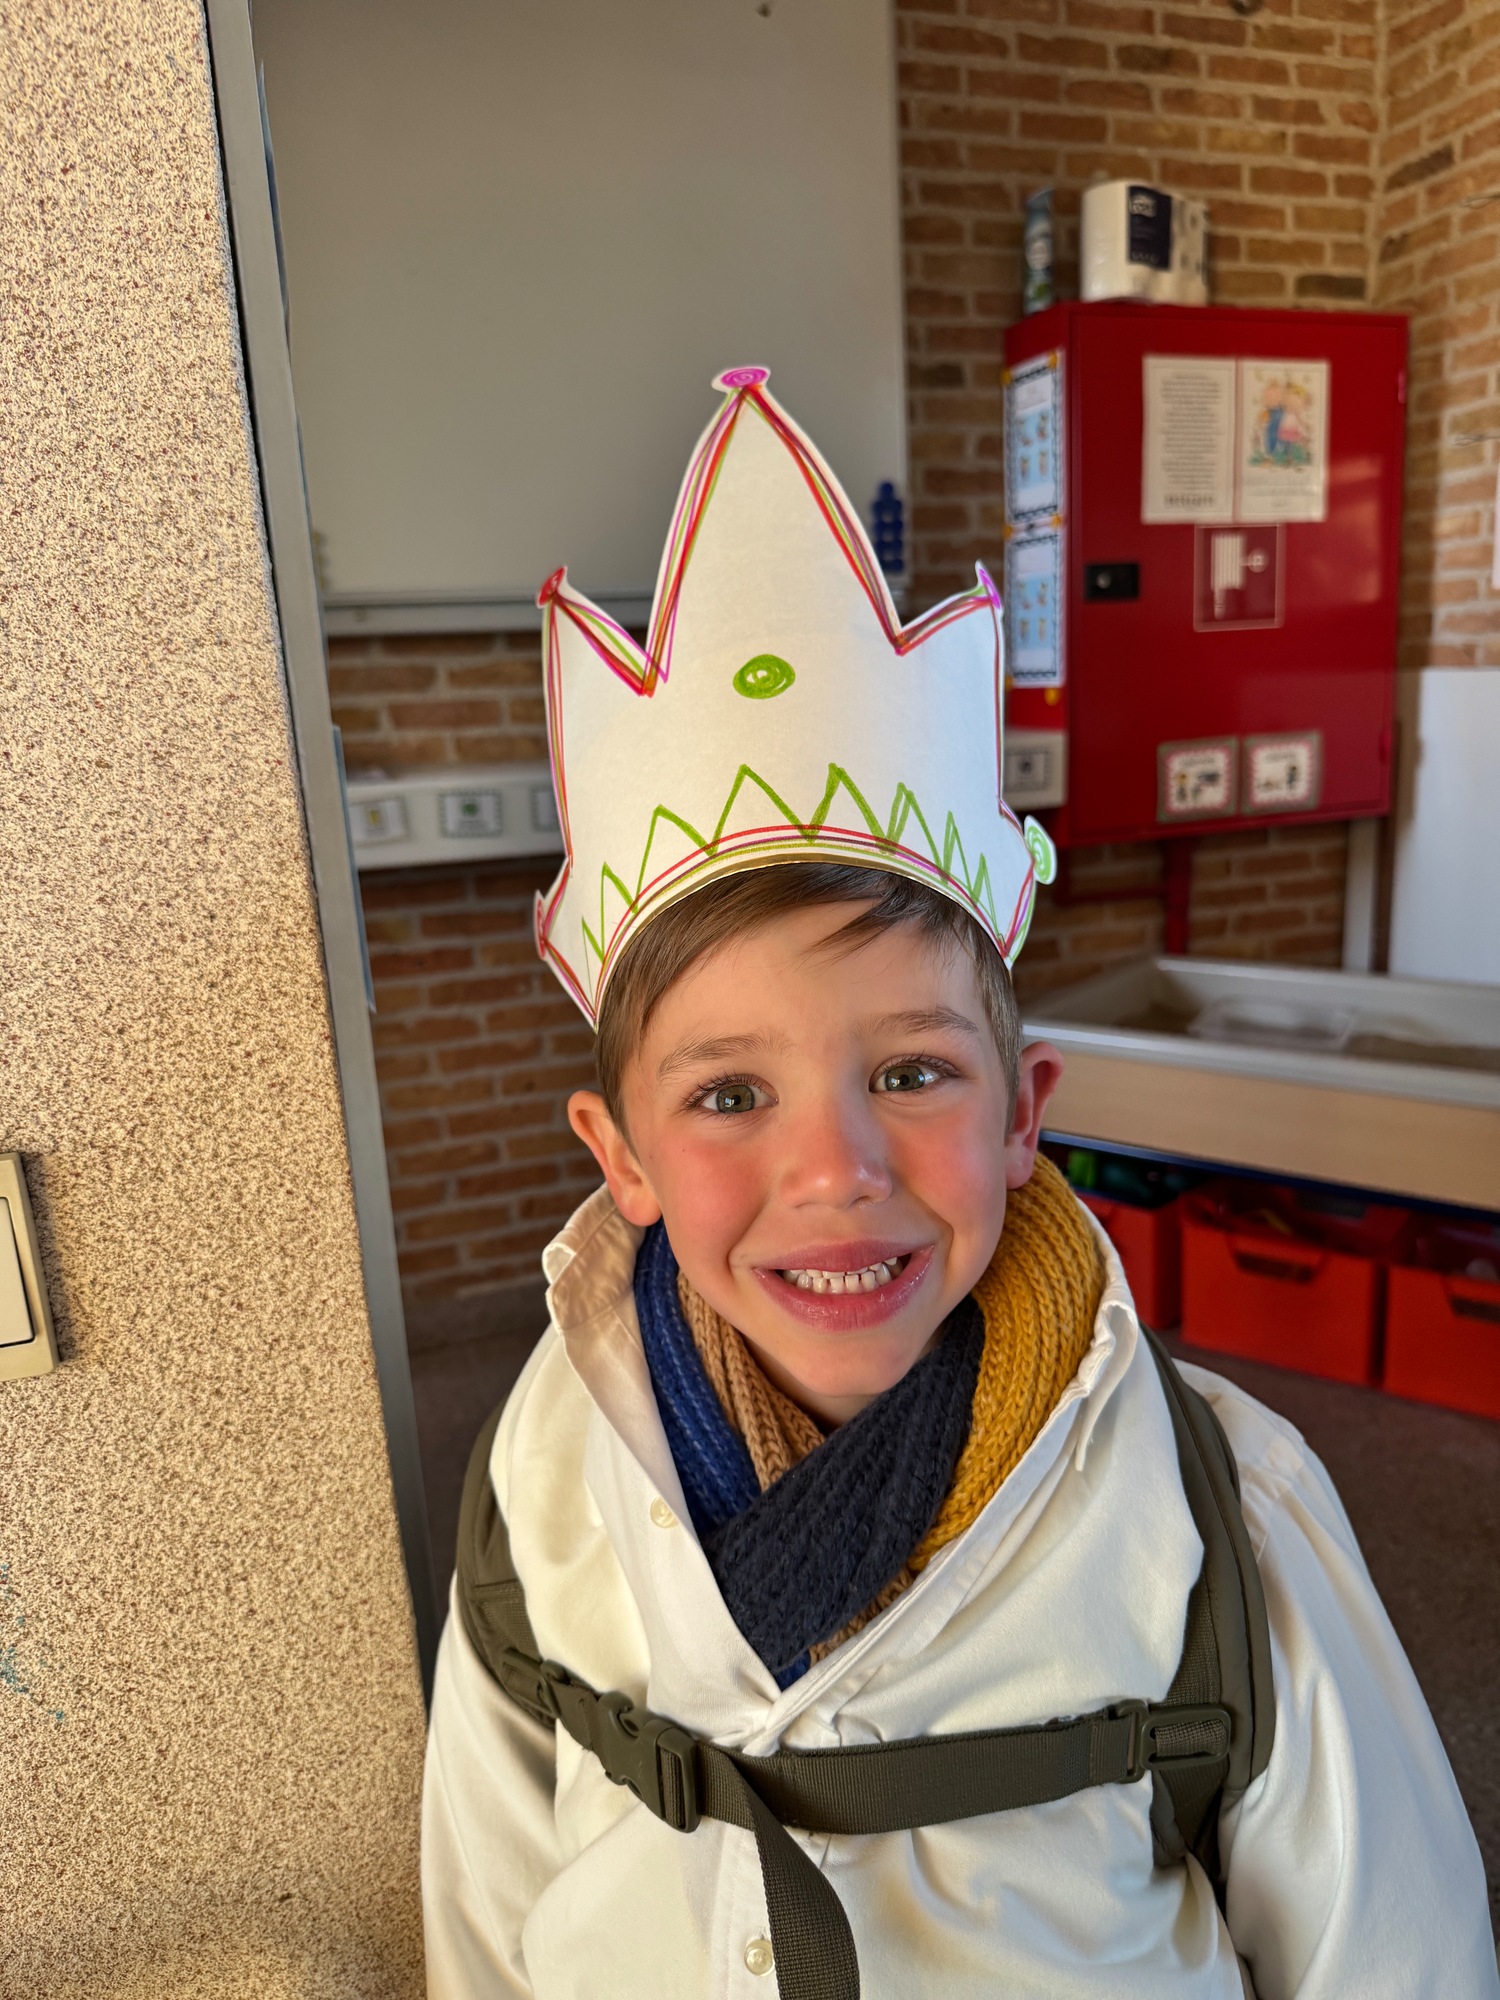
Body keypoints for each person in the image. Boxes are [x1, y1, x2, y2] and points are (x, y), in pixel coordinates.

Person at [421, 368, 1496, 1999]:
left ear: (1021, 1117)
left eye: (913, 1074)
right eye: (728, 1096)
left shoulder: (1226, 1507)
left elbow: (1395, 1954)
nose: (836, 1169)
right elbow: (487, 1896)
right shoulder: (543, 1475)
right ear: (620, 1160)